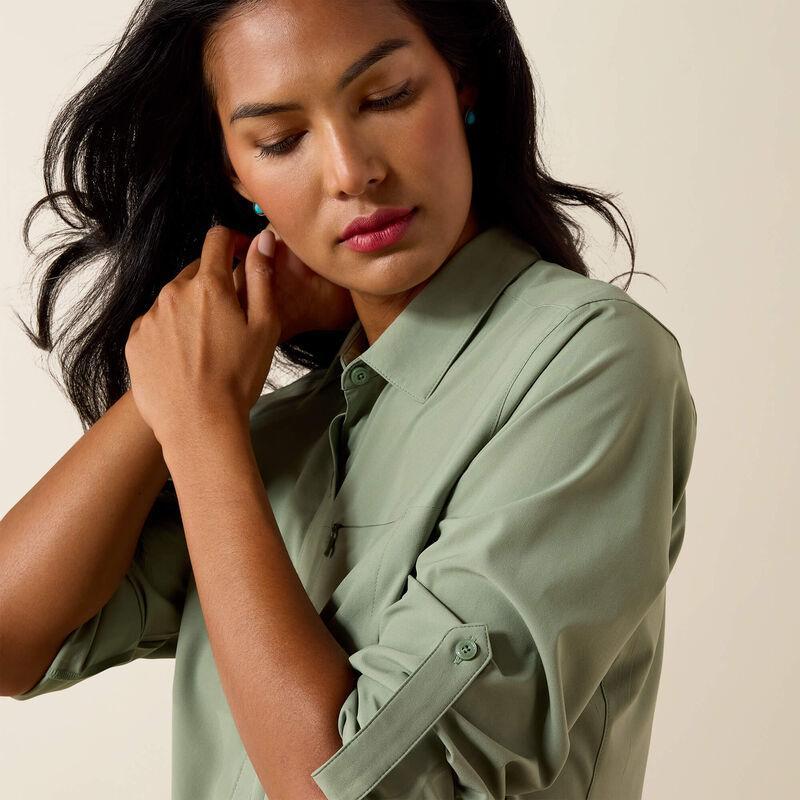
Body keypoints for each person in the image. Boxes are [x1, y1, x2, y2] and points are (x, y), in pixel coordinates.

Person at [0, 1, 698, 799]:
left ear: (462, 84)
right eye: (280, 140)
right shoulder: (280, 430)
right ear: (237, 175)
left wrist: (199, 429)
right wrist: (175, 390)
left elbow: (361, 789)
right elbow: (12, 641)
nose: (350, 171)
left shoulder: (589, 363)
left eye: (386, 97)